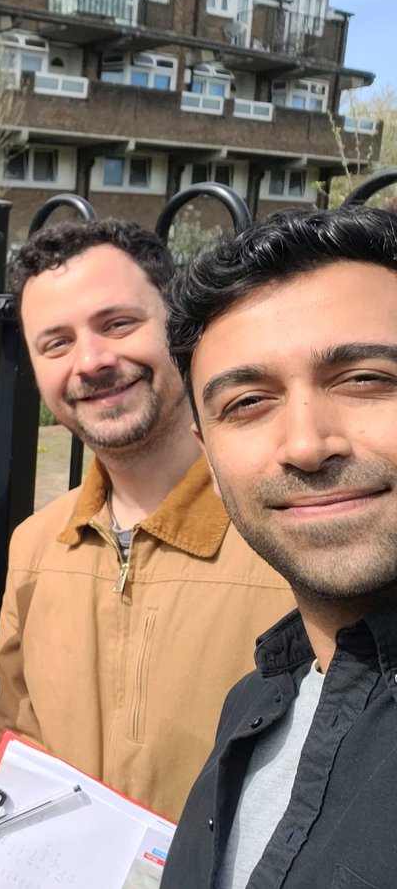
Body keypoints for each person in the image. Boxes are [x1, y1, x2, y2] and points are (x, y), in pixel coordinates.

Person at [0, 218, 293, 822]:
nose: (92, 360)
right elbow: (16, 747)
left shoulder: (288, 533)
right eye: (56, 343)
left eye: (118, 324)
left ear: (176, 326)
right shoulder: (34, 543)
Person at [161, 206, 397, 888]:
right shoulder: (256, 705)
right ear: (207, 455)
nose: (305, 444)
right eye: (247, 403)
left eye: (366, 380)